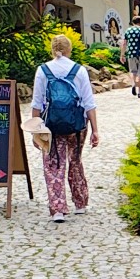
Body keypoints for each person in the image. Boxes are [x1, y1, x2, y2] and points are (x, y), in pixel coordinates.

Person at [31, 32, 99, 223]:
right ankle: (80, 202)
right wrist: (95, 130)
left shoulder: (43, 70)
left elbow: (37, 104)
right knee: (75, 160)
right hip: (77, 125)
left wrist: (35, 131)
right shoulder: (79, 70)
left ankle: (58, 209)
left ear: (52, 50)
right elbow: (89, 103)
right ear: (69, 49)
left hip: (50, 125)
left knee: (53, 164)